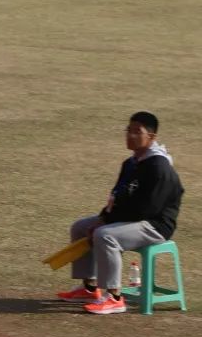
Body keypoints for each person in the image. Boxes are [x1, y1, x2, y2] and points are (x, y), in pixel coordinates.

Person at [57, 112, 184, 315]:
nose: (130, 135)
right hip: (132, 219)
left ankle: (115, 297)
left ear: (151, 137)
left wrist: (106, 223)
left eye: (137, 132)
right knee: (80, 227)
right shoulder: (131, 163)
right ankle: (90, 288)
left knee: (105, 235)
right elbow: (117, 197)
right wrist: (102, 217)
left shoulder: (159, 167)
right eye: (129, 130)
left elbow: (147, 209)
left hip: (155, 225)